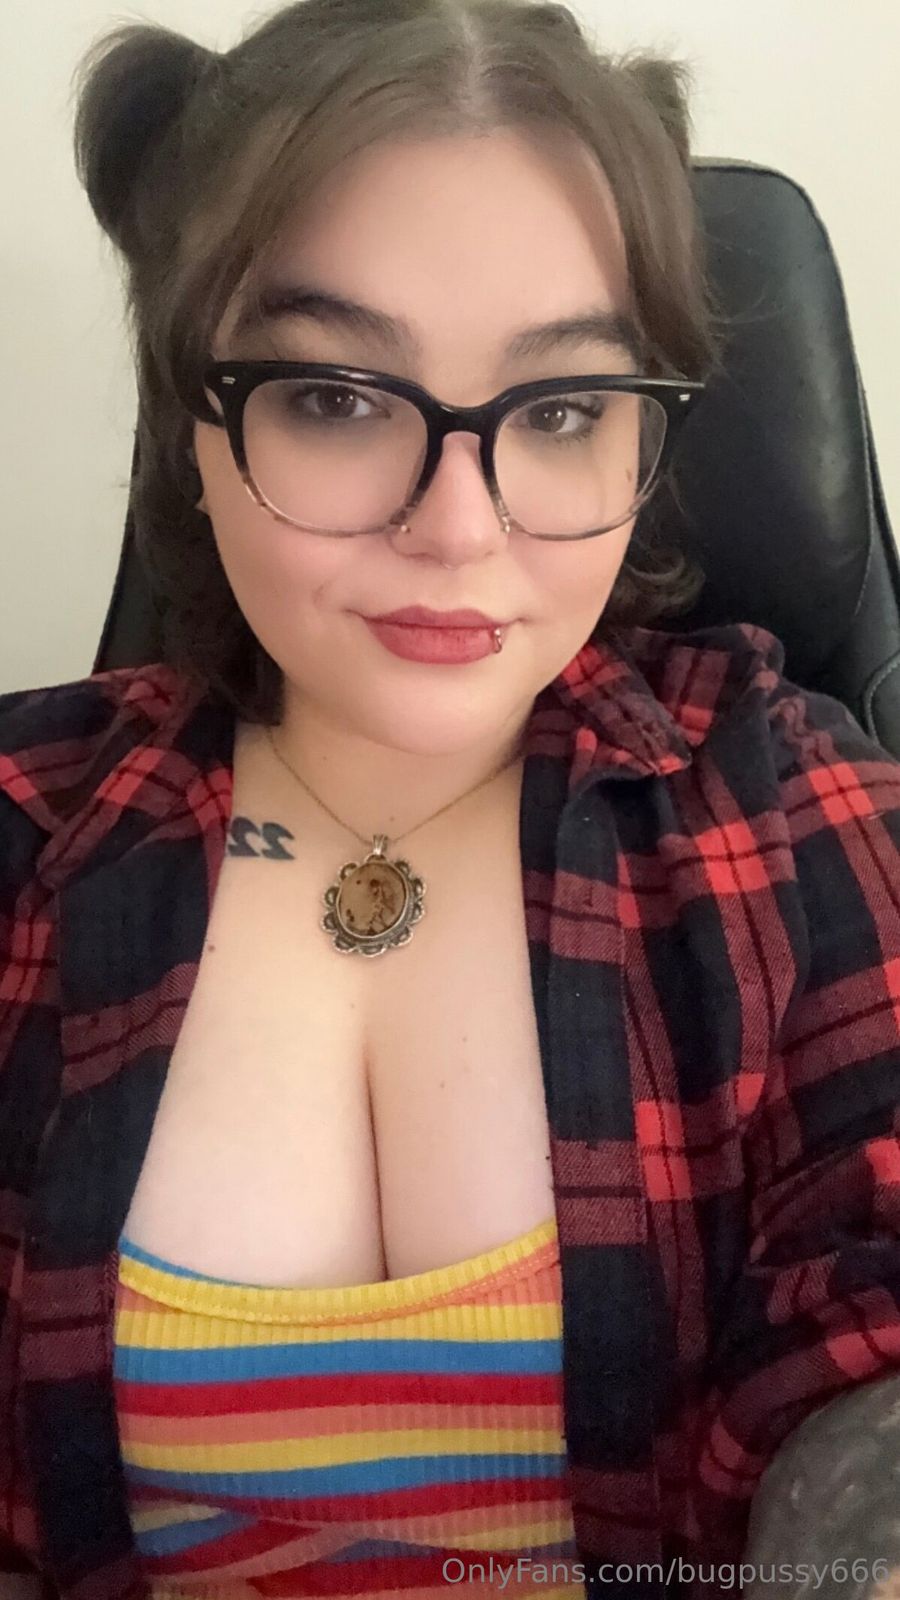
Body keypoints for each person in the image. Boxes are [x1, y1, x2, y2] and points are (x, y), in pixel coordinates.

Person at [1, 0, 899, 1596]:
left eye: (560, 413)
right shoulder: (23, 835)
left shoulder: (793, 812)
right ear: (191, 420)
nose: (460, 528)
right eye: (337, 399)